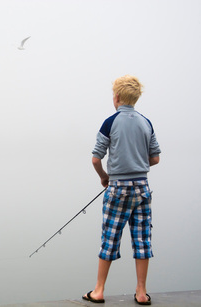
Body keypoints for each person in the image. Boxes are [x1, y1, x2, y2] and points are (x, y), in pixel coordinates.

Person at [82, 75, 161, 305]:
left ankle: (98, 291)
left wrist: (105, 177)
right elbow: (155, 158)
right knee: (142, 239)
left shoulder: (110, 122)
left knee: (109, 238)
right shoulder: (146, 122)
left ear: (116, 97)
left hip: (117, 189)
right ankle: (141, 292)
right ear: (135, 98)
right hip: (142, 189)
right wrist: (138, 161)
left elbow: (96, 159)